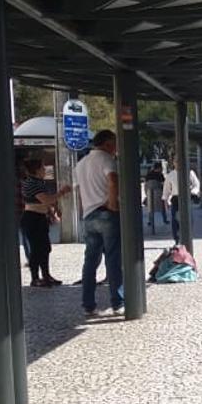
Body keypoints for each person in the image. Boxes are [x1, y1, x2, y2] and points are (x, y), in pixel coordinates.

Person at [74, 130, 123, 316]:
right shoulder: (106, 159)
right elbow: (113, 180)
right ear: (108, 143)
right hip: (106, 213)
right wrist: (113, 203)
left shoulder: (81, 163)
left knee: (90, 261)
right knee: (113, 258)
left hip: (89, 215)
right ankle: (118, 302)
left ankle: (88, 304)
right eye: (115, 143)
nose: (116, 148)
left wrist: (84, 212)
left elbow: (79, 191)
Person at [20, 159, 72, 287]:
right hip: (32, 218)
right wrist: (62, 192)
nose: (45, 170)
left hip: (40, 217)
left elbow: (47, 201)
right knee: (36, 249)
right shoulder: (31, 183)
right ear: (37, 170)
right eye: (43, 168)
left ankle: (46, 275)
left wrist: (54, 210)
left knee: (45, 248)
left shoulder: (40, 182)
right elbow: (46, 199)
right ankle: (35, 278)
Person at [163, 159, 201, 243]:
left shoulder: (190, 173)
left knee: (188, 218)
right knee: (175, 219)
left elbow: (196, 184)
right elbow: (166, 190)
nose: (178, 163)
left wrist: (193, 192)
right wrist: (166, 201)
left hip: (187, 197)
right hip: (175, 198)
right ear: (174, 163)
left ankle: (188, 237)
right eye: (176, 162)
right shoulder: (170, 175)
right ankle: (177, 239)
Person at [144, 162, 167, 229]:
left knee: (150, 208)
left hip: (149, 194)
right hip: (158, 194)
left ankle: (150, 221)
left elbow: (146, 185)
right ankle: (164, 219)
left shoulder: (148, 174)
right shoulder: (160, 175)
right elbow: (163, 184)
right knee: (163, 206)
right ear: (159, 168)